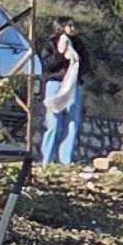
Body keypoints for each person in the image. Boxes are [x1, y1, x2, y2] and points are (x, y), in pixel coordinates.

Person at [40, 23, 86, 167]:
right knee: (53, 121)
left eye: (74, 26)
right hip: (55, 84)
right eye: (69, 26)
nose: (73, 28)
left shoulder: (78, 44)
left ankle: (66, 160)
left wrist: (77, 60)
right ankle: (47, 159)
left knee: (72, 122)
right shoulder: (51, 44)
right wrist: (62, 55)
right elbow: (47, 65)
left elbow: (86, 64)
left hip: (73, 85)